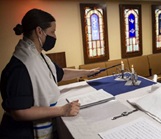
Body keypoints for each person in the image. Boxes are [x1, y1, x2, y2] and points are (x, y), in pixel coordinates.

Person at [0, 8, 99, 139]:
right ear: (39, 31)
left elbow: (60, 73)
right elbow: (20, 111)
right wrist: (62, 110)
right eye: (52, 32)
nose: (55, 37)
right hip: (22, 133)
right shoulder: (22, 66)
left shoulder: (38, 56)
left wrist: (87, 72)